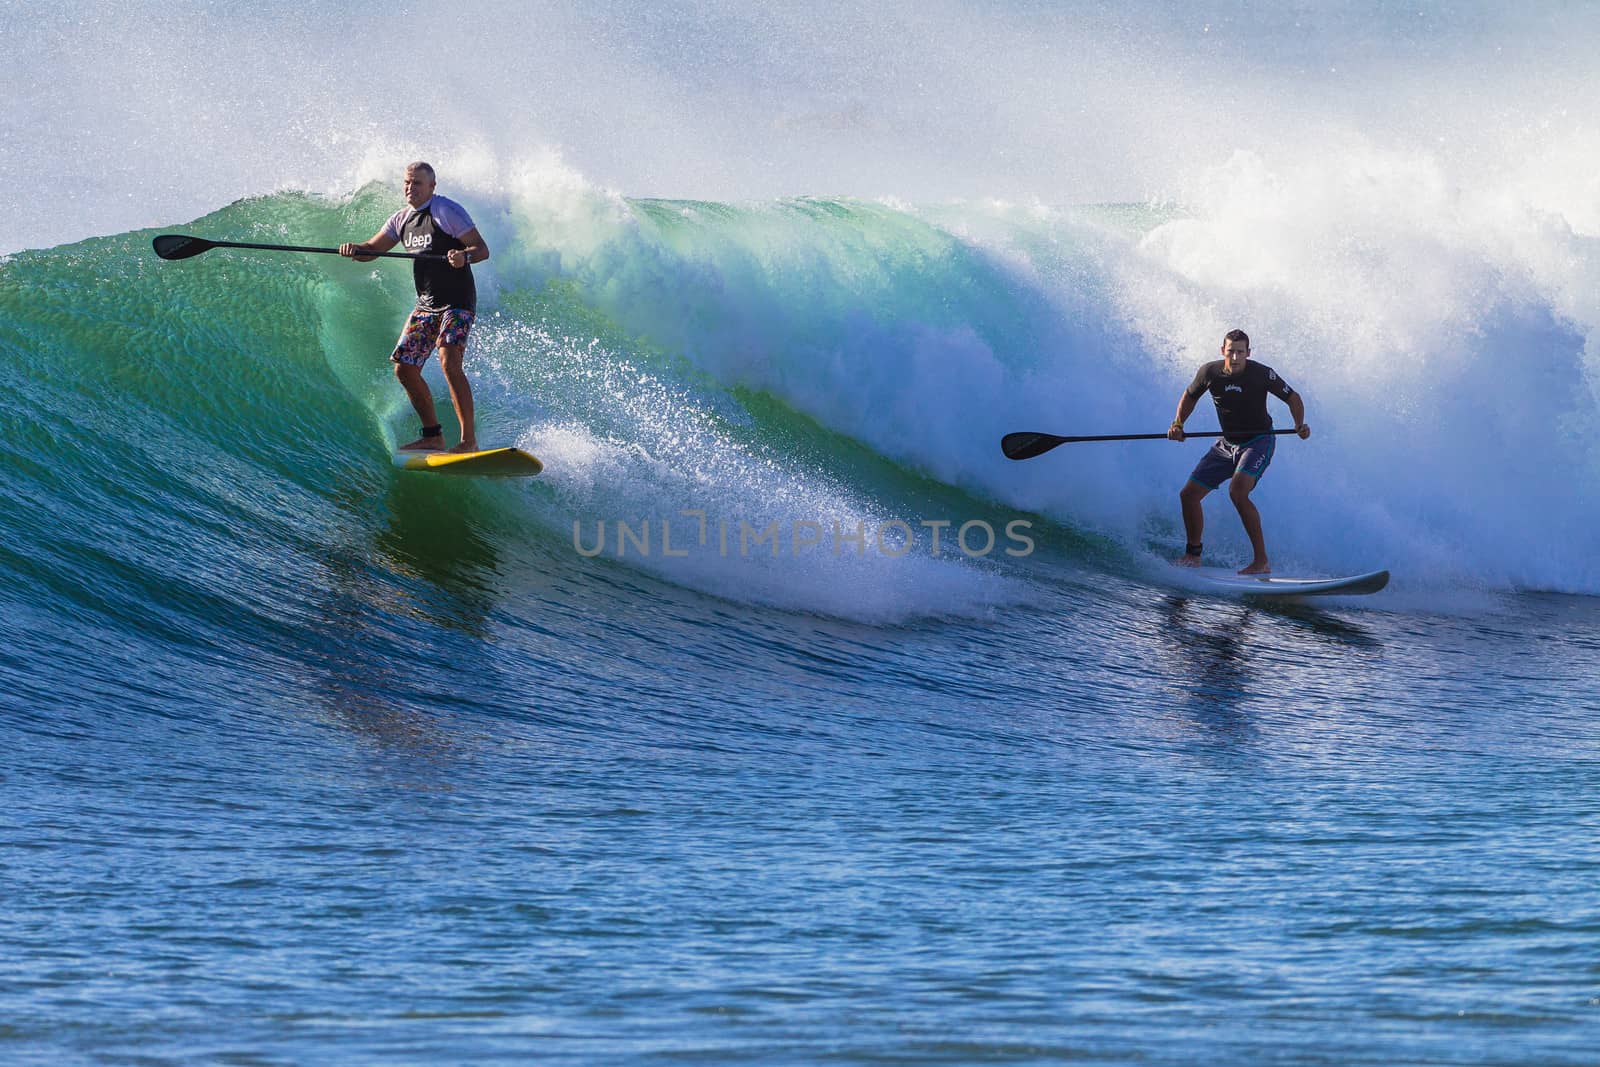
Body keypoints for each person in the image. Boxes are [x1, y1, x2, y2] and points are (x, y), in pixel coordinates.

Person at [340, 161, 490, 452]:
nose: (410, 188)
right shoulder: (401, 220)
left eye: (417, 183)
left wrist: (464, 257)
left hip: (457, 302)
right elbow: (373, 249)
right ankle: (433, 435)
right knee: (405, 369)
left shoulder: (445, 211)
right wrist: (355, 250)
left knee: (449, 361)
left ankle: (468, 441)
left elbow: (481, 249)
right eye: (407, 183)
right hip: (426, 304)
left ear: (432, 187)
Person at [1167, 329, 1310, 574]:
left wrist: (1299, 424)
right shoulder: (1209, 372)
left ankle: (1261, 561)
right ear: (1223, 350)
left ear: (1248, 353)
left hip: (1258, 441)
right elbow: (1189, 396)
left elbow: (1293, 397)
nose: (1235, 357)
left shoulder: (1262, 373)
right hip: (1226, 444)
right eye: (1230, 351)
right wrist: (1178, 424)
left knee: (1238, 491)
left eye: (1240, 352)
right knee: (1188, 495)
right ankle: (1193, 556)